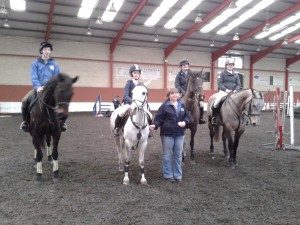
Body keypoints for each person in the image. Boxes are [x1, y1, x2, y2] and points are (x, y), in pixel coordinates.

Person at [20, 41, 68, 132]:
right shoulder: (35, 64)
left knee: (63, 101)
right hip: (39, 88)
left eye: (49, 49)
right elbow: (34, 76)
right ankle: (25, 122)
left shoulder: (54, 64)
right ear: (41, 51)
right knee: (24, 100)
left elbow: (58, 77)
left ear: (50, 51)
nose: (47, 51)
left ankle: (62, 123)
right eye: (45, 49)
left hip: (52, 89)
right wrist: (38, 87)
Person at [149, 88, 189, 183]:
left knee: (178, 155)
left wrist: (185, 122)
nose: (174, 95)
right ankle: (168, 175)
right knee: (167, 155)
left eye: (176, 93)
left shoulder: (182, 105)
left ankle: (178, 175)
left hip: (180, 134)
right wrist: (155, 125)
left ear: (179, 95)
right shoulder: (164, 106)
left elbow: (187, 117)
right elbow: (159, 118)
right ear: (168, 96)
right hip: (167, 134)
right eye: (172, 93)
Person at [113, 64, 152, 136]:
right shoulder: (129, 83)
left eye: (138, 73)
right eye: (135, 73)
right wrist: (133, 101)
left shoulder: (142, 84)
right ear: (132, 74)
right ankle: (117, 128)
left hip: (140, 104)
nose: (136, 74)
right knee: (121, 113)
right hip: (129, 103)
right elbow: (125, 95)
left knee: (149, 114)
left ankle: (149, 129)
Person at [175, 59, 206, 125]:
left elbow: (196, 83)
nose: (185, 66)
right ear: (181, 67)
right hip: (181, 92)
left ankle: (201, 118)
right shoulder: (179, 75)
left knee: (201, 104)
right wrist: (183, 92)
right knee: (175, 103)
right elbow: (177, 85)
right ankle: (175, 118)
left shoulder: (192, 74)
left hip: (192, 93)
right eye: (184, 65)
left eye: (186, 65)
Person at [211, 58, 241, 126]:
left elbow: (238, 84)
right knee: (216, 103)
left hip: (234, 92)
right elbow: (220, 84)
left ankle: (240, 118)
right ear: (226, 66)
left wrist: (235, 90)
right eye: (229, 65)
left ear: (233, 66)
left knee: (241, 102)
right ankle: (214, 118)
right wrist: (226, 90)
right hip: (224, 91)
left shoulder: (236, 75)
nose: (230, 66)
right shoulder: (222, 74)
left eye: (231, 65)